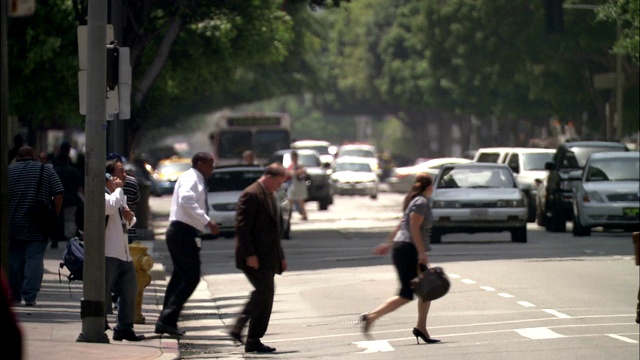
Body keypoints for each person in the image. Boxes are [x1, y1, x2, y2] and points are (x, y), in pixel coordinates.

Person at [359, 172, 440, 344]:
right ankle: (371, 317)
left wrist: (389, 243)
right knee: (406, 294)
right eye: (432, 186)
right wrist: (421, 252)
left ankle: (421, 327)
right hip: (408, 250)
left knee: (427, 288)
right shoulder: (421, 202)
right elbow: (413, 227)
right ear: (429, 187)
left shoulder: (414, 201)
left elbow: (400, 225)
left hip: (403, 247)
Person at [155, 152, 219, 337]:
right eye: (210, 165)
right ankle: (166, 319)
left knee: (179, 277)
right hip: (182, 233)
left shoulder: (194, 177)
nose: (212, 169)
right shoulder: (192, 178)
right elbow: (186, 199)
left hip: (182, 232)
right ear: (200, 164)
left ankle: (167, 321)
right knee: (191, 278)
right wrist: (207, 220)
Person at [229, 163, 288, 353]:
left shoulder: (269, 194)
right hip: (253, 256)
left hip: (268, 257)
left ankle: (253, 339)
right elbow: (242, 228)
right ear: (269, 177)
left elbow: (273, 231)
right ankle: (238, 327)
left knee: (266, 295)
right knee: (263, 291)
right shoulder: (252, 194)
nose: (279, 187)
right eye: (278, 182)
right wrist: (249, 254)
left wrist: (281, 256)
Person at [8, 146, 64, 306]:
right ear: (33, 156)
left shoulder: (9, 171)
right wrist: (54, 213)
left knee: (14, 261)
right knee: (34, 260)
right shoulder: (46, 171)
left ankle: (15, 294)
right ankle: (30, 296)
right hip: (38, 225)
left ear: (18, 157)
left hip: (13, 224)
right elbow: (59, 192)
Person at [104, 168, 145, 341]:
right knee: (103, 292)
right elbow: (108, 207)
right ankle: (98, 324)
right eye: (119, 172)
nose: (123, 176)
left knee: (130, 289)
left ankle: (124, 327)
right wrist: (119, 190)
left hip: (124, 252)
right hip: (109, 252)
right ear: (108, 178)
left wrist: (130, 217)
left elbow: (128, 221)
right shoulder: (105, 195)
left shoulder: (118, 196)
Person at [52, 141, 83, 248]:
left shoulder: (54, 171)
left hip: (56, 199)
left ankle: (54, 240)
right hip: (71, 199)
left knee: (56, 219)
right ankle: (70, 240)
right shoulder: (73, 171)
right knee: (69, 219)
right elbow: (79, 186)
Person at [286, 151, 308, 220]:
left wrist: (294, 173)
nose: (293, 158)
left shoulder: (299, 164)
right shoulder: (291, 165)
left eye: (294, 157)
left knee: (300, 200)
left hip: (299, 184)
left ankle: (304, 215)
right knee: (290, 199)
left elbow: (302, 172)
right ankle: (289, 214)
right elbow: (288, 172)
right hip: (293, 184)